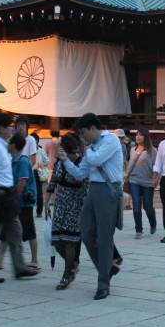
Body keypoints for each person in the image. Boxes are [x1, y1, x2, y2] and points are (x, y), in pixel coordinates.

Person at [56, 113, 123, 299]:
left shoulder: (110, 140)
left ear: (93, 128)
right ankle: (107, 268)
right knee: (86, 234)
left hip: (108, 190)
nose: (82, 137)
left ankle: (103, 284)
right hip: (93, 191)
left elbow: (95, 160)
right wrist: (65, 161)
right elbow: (79, 174)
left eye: (84, 132)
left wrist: (86, 149)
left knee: (104, 238)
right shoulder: (91, 147)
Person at [0, 113, 39, 284]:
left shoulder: (1, 146)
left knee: (16, 231)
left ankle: (20, 266)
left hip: (6, 194)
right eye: (10, 126)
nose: (13, 128)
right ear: (2, 128)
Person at [44, 132, 88, 290]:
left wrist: (82, 213)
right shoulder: (59, 160)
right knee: (56, 240)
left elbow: (86, 189)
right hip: (60, 203)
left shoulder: (82, 163)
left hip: (75, 204)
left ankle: (66, 275)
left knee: (70, 241)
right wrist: (46, 201)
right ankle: (72, 264)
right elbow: (53, 180)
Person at [0, 134, 39, 270]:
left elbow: (22, 181)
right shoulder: (13, 159)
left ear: (13, 145)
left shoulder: (22, 161)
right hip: (16, 200)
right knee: (8, 230)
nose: (7, 145)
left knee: (29, 230)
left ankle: (35, 260)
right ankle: (0, 259)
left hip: (23, 202)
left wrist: (13, 197)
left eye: (9, 142)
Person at [125, 129, 157, 239]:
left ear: (146, 137)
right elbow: (130, 164)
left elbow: (157, 167)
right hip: (134, 180)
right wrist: (127, 175)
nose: (138, 137)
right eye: (137, 135)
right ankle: (138, 230)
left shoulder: (152, 151)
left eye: (141, 135)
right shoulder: (132, 149)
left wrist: (155, 179)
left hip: (148, 181)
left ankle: (153, 223)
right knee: (136, 205)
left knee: (148, 207)